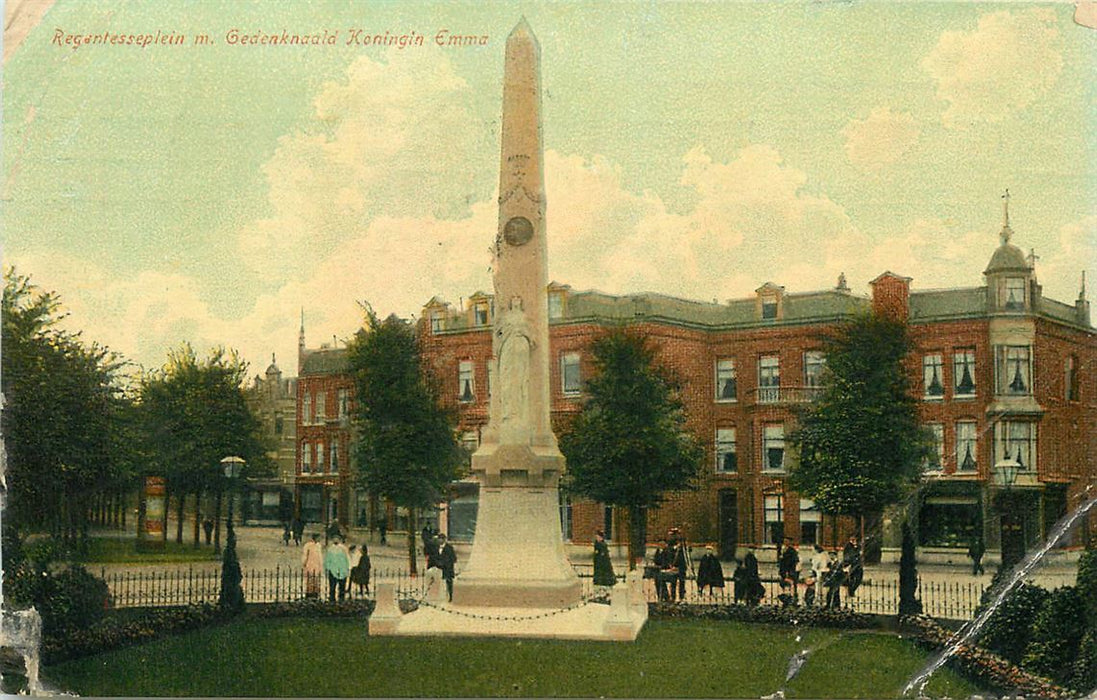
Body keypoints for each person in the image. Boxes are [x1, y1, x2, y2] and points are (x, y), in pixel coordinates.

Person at [324, 535, 351, 602]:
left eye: (337, 539)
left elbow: (347, 558)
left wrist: (348, 568)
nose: (335, 540)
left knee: (342, 586)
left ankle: (341, 598)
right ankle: (332, 598)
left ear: (340, 540)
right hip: (333, 569)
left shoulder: (343, 548)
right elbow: (327, 559)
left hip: (342, 569)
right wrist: (327, 568)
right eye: (334, 539)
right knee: (332, 586)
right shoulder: (330, 549)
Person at [434, 533, 457, 602]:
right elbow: (434, 556)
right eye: (439, 539)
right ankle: (437, 596)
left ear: (444, 540)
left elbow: (453, 558)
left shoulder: (449, 548)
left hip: (447, 568)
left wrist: (445, 563)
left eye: (441, 539)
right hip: (438, 567)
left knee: (449, 582)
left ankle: (450, 596)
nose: (439, 540)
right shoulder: (436, 547)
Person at [302, 532, 323, 599]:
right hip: (310, 563)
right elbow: (305, 555)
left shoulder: (319, 545)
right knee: (310, 578)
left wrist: (321, 564)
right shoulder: (308, 545)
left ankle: (315, 592)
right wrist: (304, 563)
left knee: (316, 578)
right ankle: (309, 593)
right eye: (319, 537)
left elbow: (320, 556)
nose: (320, 539)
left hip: (317, 564)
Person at [779, 538, 800, 603]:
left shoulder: (792, 550)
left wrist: (790, 570)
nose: (785, 542)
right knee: (784, 583)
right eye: (784, 541)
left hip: (789, 570)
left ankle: (791, 596)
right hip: (783, 570)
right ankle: (785, 595)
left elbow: (794, 560)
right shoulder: (782, 549)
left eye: (787, 541)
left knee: (790, 583)